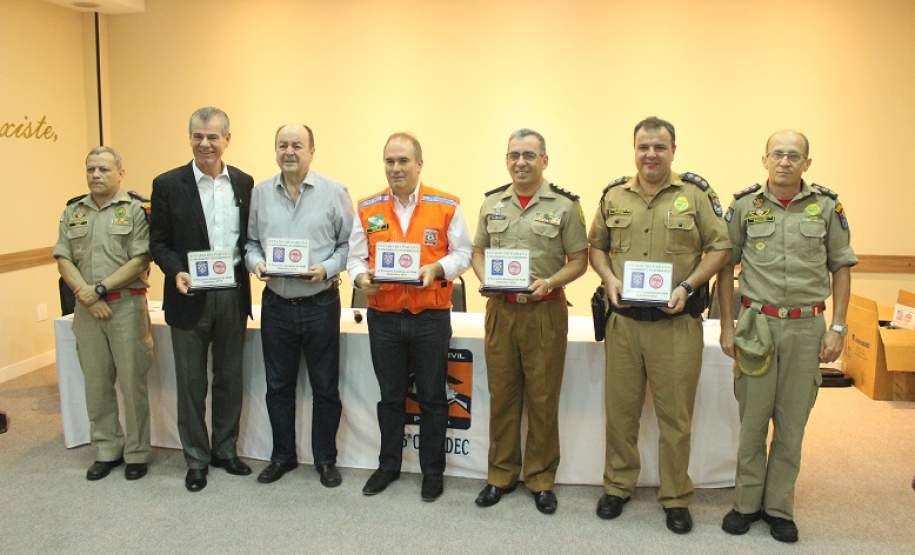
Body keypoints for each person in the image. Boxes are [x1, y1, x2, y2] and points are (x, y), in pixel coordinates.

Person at [588, 116, 731, 533]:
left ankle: (675, 496)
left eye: (660, 147)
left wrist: (688, 285)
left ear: (673, 150)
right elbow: (597, 247)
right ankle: (617, 486)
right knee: (621, 413)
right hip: (625, 325)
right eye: (643, 147)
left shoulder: (696, 195)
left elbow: (719, 247)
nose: (651, 154)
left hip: (675, 326)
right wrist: (609, 278)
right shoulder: (614, 195)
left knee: (675, 417)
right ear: (634, 149)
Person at [717, 130, 856, 543]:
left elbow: (842, 266)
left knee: (792, 424)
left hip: (806, 326)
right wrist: (727, 325)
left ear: (807, 164)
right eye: (777, 154)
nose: (784, 162)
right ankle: (745, 503)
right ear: (764, 160)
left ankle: (779, 507)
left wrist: (838, 327)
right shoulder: (744, 206)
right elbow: (725, 267)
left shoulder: (827, 207)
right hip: (757, 325)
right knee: (753, 421)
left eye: (794, 156)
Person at [346, 132, 471, 502]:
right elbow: (355, 257)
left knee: (433, 397)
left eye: (403, 161)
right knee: (390, 397)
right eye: (390, 161)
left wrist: (438, 269)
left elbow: (464, 252)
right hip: (383, 316)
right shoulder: (367, 207)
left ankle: (433, 472)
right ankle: (388, 466)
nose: (396, 168)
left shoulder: (445, 204)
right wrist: (360, 277)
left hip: (429, 315)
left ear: (419, 164)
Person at [471, 128, 589, 515]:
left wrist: (550, 282)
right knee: (503, 396)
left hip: (544, 312)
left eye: (528, 155)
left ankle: (540, 478)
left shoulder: (566, 207)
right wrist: (484, 277)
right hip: (501, 312)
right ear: (507, 160)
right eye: (514, 155)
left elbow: (579, 261)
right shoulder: (492, 204)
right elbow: (477, 251)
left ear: (544, 160)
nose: (520, 162)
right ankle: (500, 475)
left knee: (542, 398)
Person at [149, 106, 254, 492]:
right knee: (192, 383)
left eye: (213, 136)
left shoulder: (244, 182)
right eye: (198, 135)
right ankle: (196, 458)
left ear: (228, 139)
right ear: (189, 137)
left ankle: (224, 450)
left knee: (229, 377)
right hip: (187, 294)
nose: (205, 143)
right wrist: (175, 270)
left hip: (231, 295)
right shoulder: (167, 184)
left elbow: (248, 239)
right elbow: (157, 241)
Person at [245, 123, 354, 486]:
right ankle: (283, 456)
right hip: (276, 303)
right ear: (275, 150)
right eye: (282, 145)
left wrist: (326, 268)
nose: (289, 151)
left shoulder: (335, 192)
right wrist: (255, 263)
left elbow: (347, 247)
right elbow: (249, 243)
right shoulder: (260, 193)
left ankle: (325, 459)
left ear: (312, 150)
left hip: (320, 302)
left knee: (325, 387)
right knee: (278, 386)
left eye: (297, 145)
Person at [54, 146, 153, 481]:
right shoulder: (73, 211)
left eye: (104, 170)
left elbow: (140, 259)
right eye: (91, 169)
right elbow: (63, 256)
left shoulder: (137, 209)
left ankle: (137, 452)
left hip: (125, 305)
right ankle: (107, 448)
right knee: (96, 383)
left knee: (131, 382)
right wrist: (85, 294)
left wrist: (99, 289)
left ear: (120, 173)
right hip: (86, 309)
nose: (96, 175)